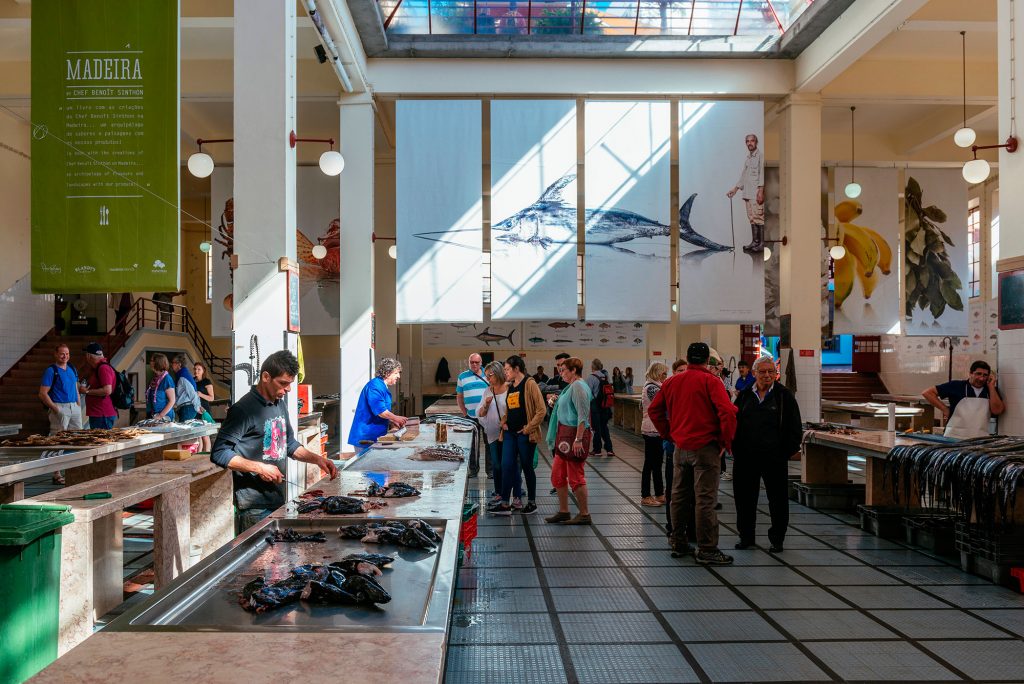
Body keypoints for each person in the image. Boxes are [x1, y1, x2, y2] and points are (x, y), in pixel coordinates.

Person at [211, 350, 338, 532]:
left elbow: (289, 445)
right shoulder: (243, 409)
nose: (288, 389)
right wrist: (260, 467)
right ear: (266, 377)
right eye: (283, 383)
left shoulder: (279, 404)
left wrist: (317, 459)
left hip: (277, 498)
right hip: (254, 507)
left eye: (290, 384)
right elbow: (219, 453)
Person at [649, 342, 737, 566]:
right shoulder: (711, 381)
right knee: (705, 499)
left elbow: (654, 410)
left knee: (678, 497)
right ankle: (707, 548)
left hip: (681, 449)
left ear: (687, 359)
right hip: (706, 448)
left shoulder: (671, 382)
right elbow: (727, 412)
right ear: (708, 361)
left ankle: (678, 542)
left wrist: (668, 434)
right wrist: (726, 441)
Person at [732, 356, 802, 553]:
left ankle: (777, 539)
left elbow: (795, 428)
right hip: (746, 458)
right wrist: (736, 449)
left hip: (774, 458)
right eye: (762, 372)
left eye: (771, 371)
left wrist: (785, 452)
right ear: (754, 373)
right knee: (745, 499)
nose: (767, 375)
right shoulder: (745, 395)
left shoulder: (784, 396)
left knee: (778, 500)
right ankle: (746, 537)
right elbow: (734, 423)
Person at [488, 355, 545, 516]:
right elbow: (509, 409)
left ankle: (532, 503)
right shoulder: (511, 386)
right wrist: (504, 421)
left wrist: (528, 428)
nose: (505, 373)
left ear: (516, 369)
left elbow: (541, 410)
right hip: (509, 434)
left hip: (525, 434)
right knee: (506, 465)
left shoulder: (530, 384)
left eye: (507, 369)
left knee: (526, 467)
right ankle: (505, 503)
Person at [545, 356, 593, 525]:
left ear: (573, 370)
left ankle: (584, 514)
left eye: (563, 370)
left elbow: (583, 416)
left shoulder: (579, 386)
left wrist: (579, 439)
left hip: (574, 436)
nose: (561, 373)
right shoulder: (570, 387)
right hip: (564, 436)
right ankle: (564, 511)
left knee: (576, 477)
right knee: (557, 475)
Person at [922, 360, 1004, 439]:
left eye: (985, 375)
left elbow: (997, 411)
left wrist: (991, 387)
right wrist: (945, 409)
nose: (981, 378)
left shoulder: (991, 391)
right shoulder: (957, 386)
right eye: (978, 374)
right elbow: (928, 393)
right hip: (954, 437)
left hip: (980, 438)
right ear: (970, 373)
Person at [348, 357, 408, 447]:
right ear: (388, 373)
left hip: (375, 435)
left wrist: (392, 420)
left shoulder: (382, 386)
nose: (398, 376)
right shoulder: (374, 387)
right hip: (366, 436)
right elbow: (381, 411)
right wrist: (396, 418)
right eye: (396, 373)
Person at [476, 361, 511, 508]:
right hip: (492, 434)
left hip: (508, 433)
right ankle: (498, 492)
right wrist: (486, 405)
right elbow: (480, 413)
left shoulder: (510, 389)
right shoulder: (488, 391)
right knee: (496, 465)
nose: (488, 378)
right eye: (486, 376)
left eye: (490, 375)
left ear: (498, 373)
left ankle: (509, 494)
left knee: (507, 464)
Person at [662, 358, 690, 535]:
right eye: (680, 370)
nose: (683, 373)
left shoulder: (693, 391)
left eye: (685, 370)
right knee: (673, 488)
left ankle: (688, 526)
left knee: (690, 491)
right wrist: (669, 437)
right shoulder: (669, 390)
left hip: (691, 449)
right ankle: (671, 525)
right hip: (673, 448)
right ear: (674, 372)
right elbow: (659, 413)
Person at [726, 133, 765, 253]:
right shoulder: (748, 158)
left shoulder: (760, 156)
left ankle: (762, 244)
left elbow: (762, 174)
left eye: (752, 141)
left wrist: (761, 191)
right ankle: (755, 242)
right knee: (752, 218)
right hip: (747, 193)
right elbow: (744, 176)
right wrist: (735, 189)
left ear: (756, 142)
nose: (750, 143)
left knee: (759, 217)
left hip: (756, 193)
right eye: (747, 141)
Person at [640, 362, 669, 507]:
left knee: (657, 464)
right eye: (664, 374)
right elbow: (663, 405)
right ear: (658, 374)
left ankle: (659, 493)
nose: (666, 376)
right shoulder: (652, 387)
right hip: (651, 429)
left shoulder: (654, 386)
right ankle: (645, 495)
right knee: (650, 464)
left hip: (655, 429)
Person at [456, 353, 488, 477]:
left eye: (477, 362)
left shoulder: (489, 375)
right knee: (472, 445)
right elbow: (459, 397)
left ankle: (490, 471)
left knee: (489, 444)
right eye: (472, 362)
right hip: (470, 416)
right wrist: (465, 413)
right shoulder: (462, 377)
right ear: (468, 363)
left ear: (481, 363)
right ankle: (473, 470)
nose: (474, 364)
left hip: (487, 416)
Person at [38, 343, 82, 434]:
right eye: (62, 353)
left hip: (74, 407)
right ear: (56, 354)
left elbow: (75, 388)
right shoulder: (51, 370)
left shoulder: (72, 369)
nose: (65, 356)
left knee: (78, 437)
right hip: (60, 407)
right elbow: (42, 393)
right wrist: (56, 409)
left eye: (67, 354)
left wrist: (78, 404)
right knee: (59, 436)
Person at [81, 343, 117, 429]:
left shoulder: (103, 368)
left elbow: (107, 390)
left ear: (89, 356)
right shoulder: (97, 368)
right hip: (98, 413)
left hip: (102, 413)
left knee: (102, 441)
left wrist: (87, 391)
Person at [586, 359, 615, 458]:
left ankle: (597, 450)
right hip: (605, 406)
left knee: (596, 428)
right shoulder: (605, 376)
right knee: (604, 427)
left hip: (595, 406)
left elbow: (588, 393)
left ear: (593, 366)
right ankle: (609, 449)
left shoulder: (591, 377)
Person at [171, 354, 202, 422]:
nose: (171, 365)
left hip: (187, 408)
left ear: (179, 364)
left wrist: (197, 407)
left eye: (173, 363)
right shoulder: (181, 375)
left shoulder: (183, 376)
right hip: (185, 407)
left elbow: (192, 393)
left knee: (184, 430)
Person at [146, 353, 176, 421]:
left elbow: (172, 401)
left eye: (152, 360)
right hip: (154, 415)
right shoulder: (155, 377)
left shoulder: (167, 379)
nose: (150, 362)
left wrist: (160, 416)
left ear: (158, 362)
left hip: (164, 417)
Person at [194, 361, 216, 452]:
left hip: (204, 409)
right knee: (198, 434)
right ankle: (199, 453)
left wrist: (201, 394)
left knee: (205, 435)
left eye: (199, 369)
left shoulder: (207, 381)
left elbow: (212, 398)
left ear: (203, 371)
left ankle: (207, 455)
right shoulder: (192, 380)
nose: (196, 371)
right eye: (195, 369)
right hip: (195, 409)